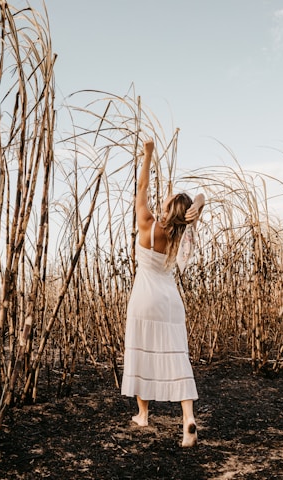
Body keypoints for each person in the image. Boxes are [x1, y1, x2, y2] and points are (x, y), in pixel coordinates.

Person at [121, 138, 205, 448]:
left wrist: (148, 155)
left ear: (168, 207)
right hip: (170, 301)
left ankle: (143, 414)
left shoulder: (147, 223)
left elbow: (141, 187)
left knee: (141, 351)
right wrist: (198, 204)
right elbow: (200, 196)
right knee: (176, 357)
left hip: (144, 298)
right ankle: (188, 419)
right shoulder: (181, 235)